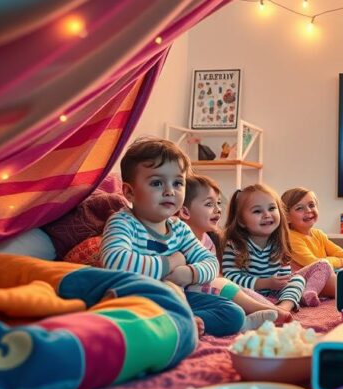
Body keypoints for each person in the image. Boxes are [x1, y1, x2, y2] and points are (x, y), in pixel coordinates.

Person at [100, 138, 244, 336]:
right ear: (130, 192)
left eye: (178, 182)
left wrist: (189, 273)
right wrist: (172, 261)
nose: (170, 191)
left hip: (178, 297)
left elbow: (211, 262)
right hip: (137, 299)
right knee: (118, 319)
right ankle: (177, 323)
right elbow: (115, 262)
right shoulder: (123, 222)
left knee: (233, 313)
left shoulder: (179, 228)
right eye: (157, 183)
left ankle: (184, 323)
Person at [178, 174, 285, 325]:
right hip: (185, 294)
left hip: (205, 293)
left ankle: (264, 310)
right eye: (209, 204)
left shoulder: (208, 240)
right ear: (185, 212)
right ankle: (262, 310)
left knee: (235, 301)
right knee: (228, 290)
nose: (218, 210)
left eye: (219, 203)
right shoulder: (179, 239)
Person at [221, 184, 333, 313]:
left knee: (297, 279)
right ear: (241, 220)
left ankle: (284, 307)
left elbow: (284, 277)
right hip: (250, 297)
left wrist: (282, 283)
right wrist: (264, 283)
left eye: (272, 208)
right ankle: (270, 309)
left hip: (275, 295)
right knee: (233, 290)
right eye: (257, 211)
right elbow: (230, 278)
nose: (267, 215)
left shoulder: (280, 243)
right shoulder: (234, 245)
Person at [282, 187, 343, 276]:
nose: (308, 210)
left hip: (322, 275)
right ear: (287, 217)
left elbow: (337, 251)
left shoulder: (318, 234)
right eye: (299, 208)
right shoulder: (290, 238)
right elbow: (315, 264)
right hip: (303, 281)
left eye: (311, 205)